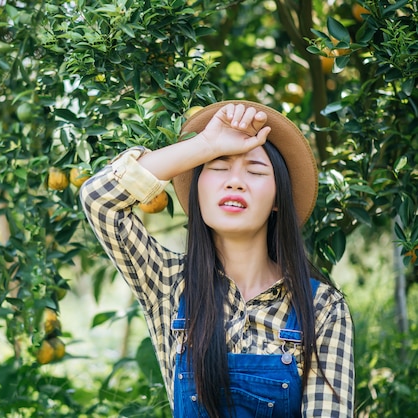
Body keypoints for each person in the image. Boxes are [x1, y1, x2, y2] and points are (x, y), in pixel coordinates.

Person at [80, 101, 354, 417]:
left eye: (255, 171)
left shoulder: (321, 308)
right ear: (198, 191)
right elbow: (99, 200)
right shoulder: (170, 285)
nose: (235, 181)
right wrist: (205, 145)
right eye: (219, 167)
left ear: (278, 199)